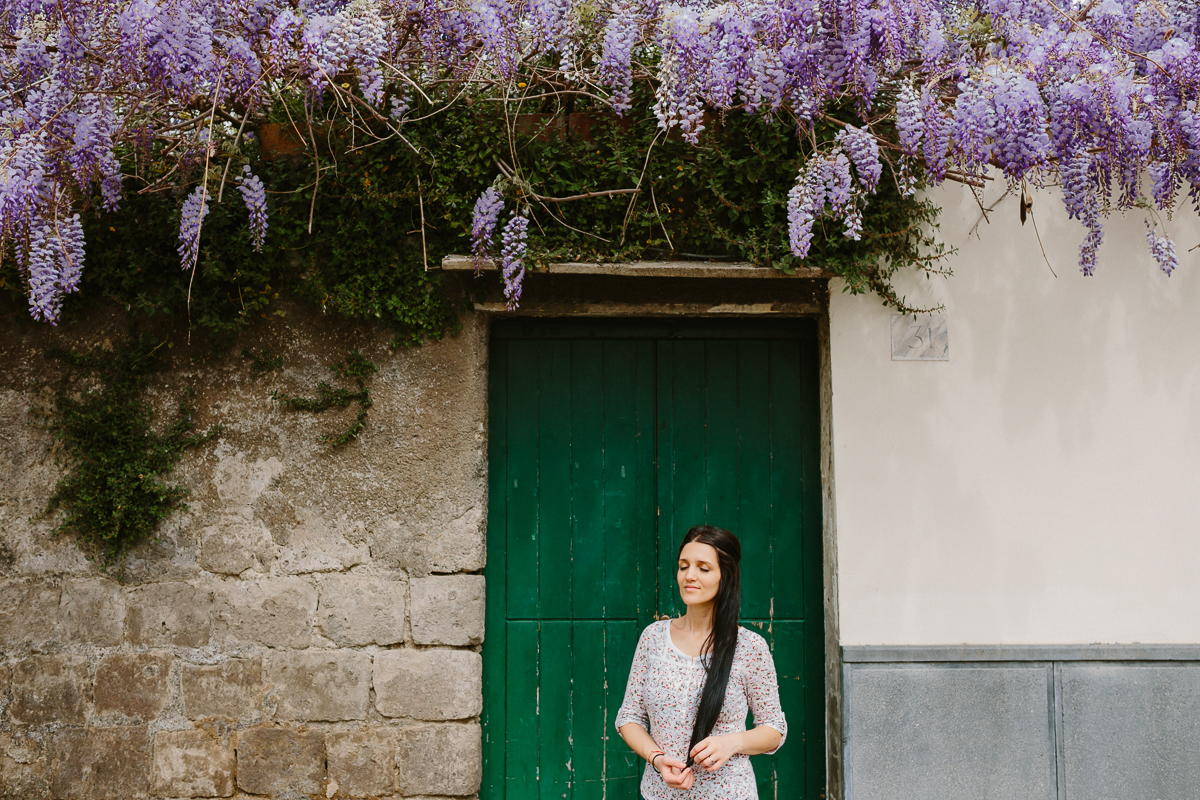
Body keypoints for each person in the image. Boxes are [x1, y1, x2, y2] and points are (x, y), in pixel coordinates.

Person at [616, 525, 787, 798]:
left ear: (726, 576)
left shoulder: (749, 646)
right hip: (660, 794)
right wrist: (658, 759)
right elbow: (629, 717)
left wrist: (732, 743)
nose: (689, 576)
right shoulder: (653, 637)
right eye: (683, 566)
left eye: (703, 568)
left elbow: (774, 729)